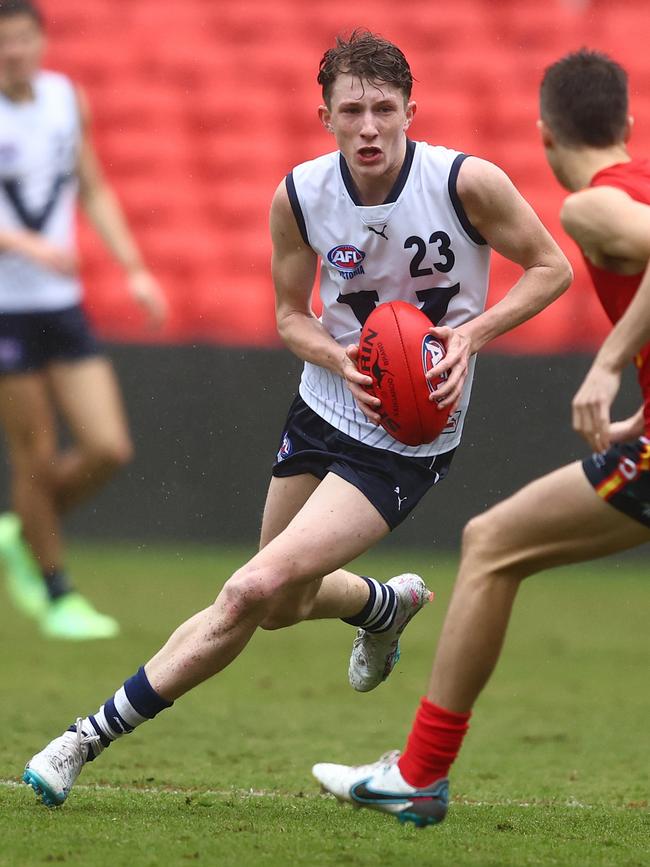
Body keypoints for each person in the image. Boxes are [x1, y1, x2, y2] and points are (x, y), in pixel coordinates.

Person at [21, 30, 570, 807]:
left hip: (405, 435)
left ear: (415, 109)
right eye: (354, 110)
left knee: (247, 590)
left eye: (386, 108)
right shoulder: (301, 195)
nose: (371, 126)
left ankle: (81, 739)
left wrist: (471, 335)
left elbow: (553, 267)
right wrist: (336, 356)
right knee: (276, 604)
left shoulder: (465, 183)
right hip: (321, 404)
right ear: (326, 116)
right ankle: (383, 604)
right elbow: (288, 315)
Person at [312, 48, 650, 828]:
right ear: (628, 124)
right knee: (495, 540)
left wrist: (604, 367)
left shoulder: (592, 206)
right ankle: (419, 772)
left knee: (492, 543)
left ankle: (421, 774)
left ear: (544, 136)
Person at [0, 0, 167, 640]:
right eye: (3, 41)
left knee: (108, 446)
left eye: (22, 38)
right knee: (35, 456)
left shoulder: (66, 100)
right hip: (7, 311)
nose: (13, 51)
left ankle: (21, 526)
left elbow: (92, 186)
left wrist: (134, 269)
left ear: (40, 41)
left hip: (60, 304)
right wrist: (26, 245)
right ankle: (57, 592)